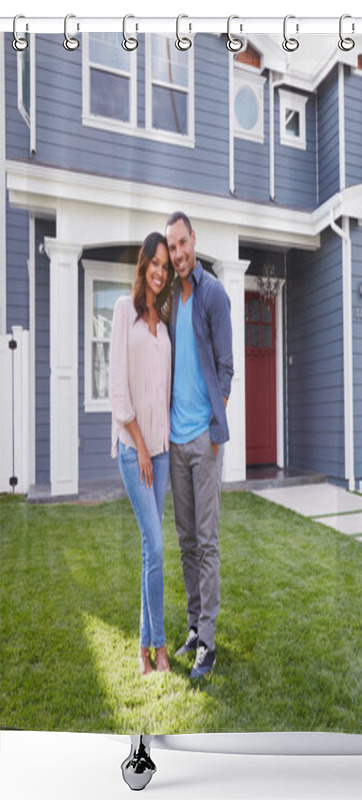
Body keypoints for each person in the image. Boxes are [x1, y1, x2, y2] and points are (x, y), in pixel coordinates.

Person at [166, 211, 233, 679]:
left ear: (195, 241)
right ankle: (193, 625)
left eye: (183, 243)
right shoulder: (172, 297)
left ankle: (208, 641)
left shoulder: (214, 295)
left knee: (207, 543)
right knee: (186, 542)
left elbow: (226, 369)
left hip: (203, 440)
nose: (178, 253)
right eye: (172, 248)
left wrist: (213, 429)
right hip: (174, 441)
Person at [109, 233, 174, 677]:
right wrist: (141, 444)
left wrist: (161, 446)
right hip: (135, 452)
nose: (159, 271)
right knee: (156, 544)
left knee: (150, 551)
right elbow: (118, 388)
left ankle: (141, 651)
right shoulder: (122, 311)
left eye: (165, 266)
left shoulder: (164, 324)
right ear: (142, 265)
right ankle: (160, 648)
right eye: (154, 262)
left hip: (163, 451)